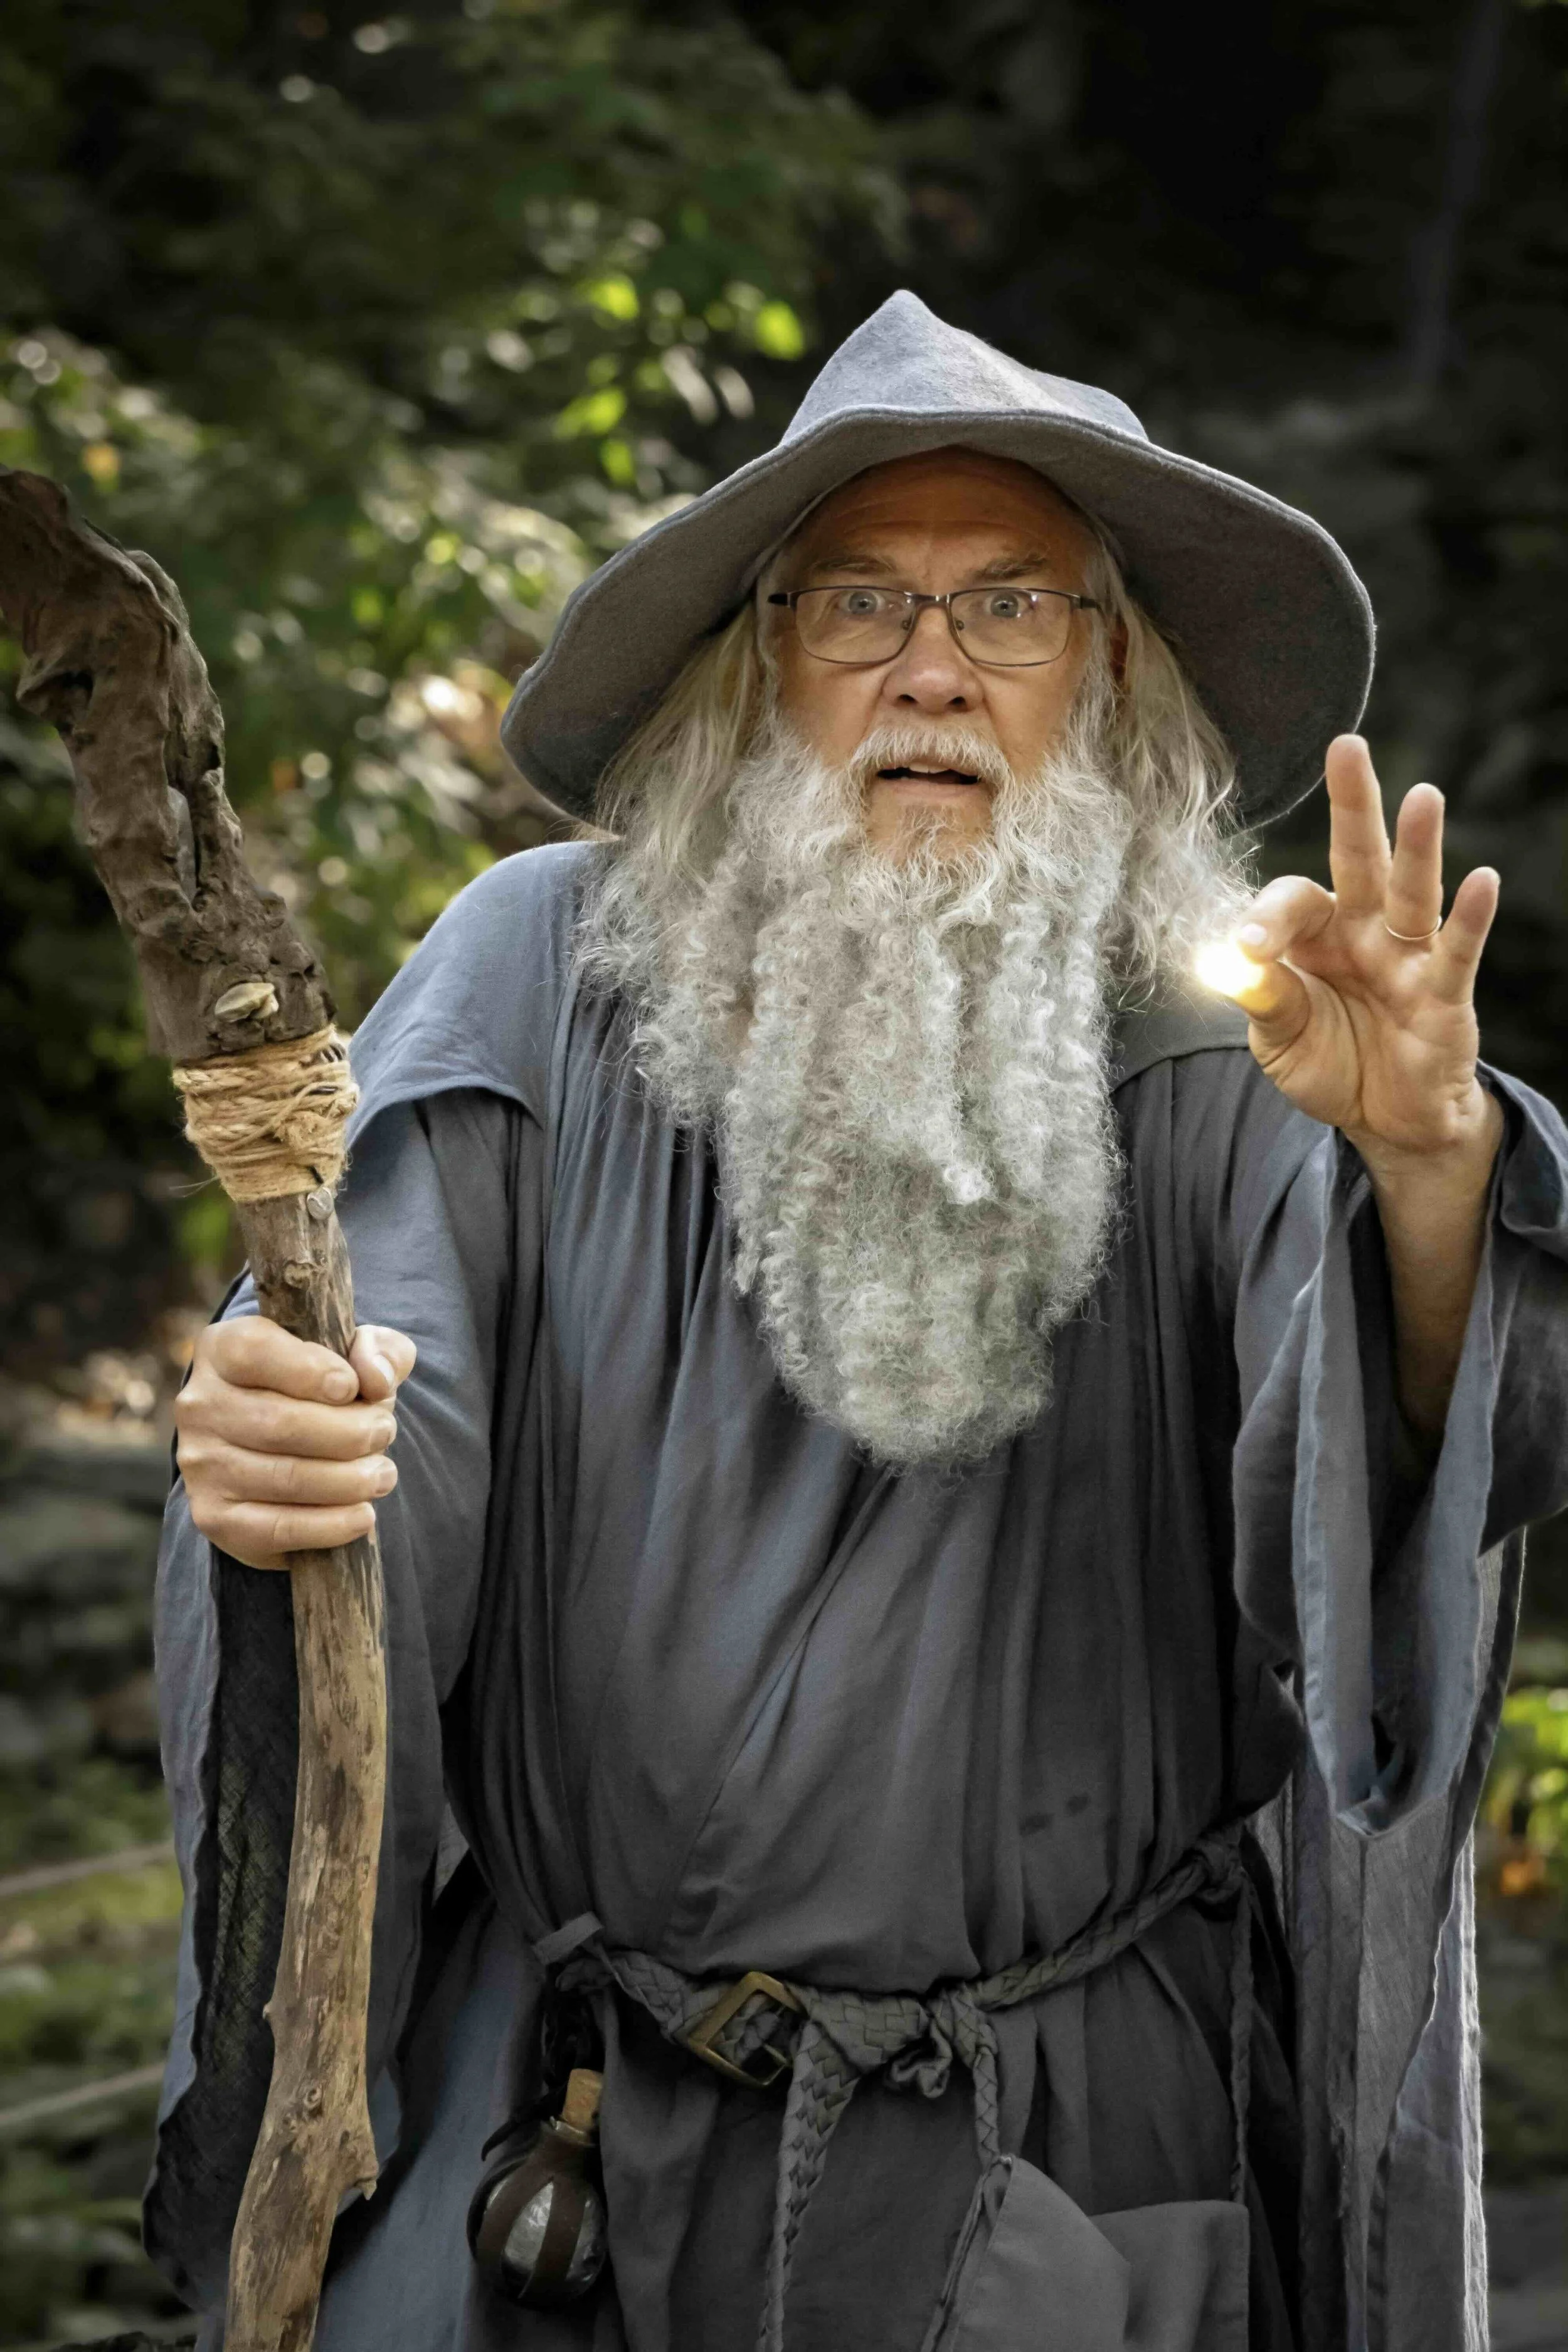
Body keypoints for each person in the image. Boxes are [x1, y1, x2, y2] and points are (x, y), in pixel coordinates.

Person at [146, 294, 1568, 2352]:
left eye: (1009, 606)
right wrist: (282, 1450)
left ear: (1105, 674)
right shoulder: (539, 971)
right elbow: (378, 1415)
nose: (930, 669)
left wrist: (1432, 1172)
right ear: (758, 669)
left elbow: (1400, 1467)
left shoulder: (1244, 1040)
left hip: (1066, 2169)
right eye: (857, 607)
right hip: (571, 2141)